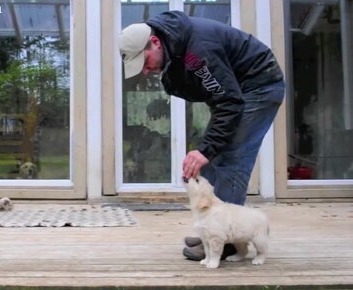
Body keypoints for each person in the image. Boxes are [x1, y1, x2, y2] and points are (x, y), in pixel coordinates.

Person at [119, 10, 285, 261]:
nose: (145, 71)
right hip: (236, 93)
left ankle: (228, 241)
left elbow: (229, 101)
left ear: (154, 42)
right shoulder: (174, 46)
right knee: (213, 156)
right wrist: (207, 150)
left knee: (231, 158)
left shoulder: (198, 51)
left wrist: (205, 149)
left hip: (258, 88)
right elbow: (215, 94)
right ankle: (213, 229)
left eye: (144, 62)